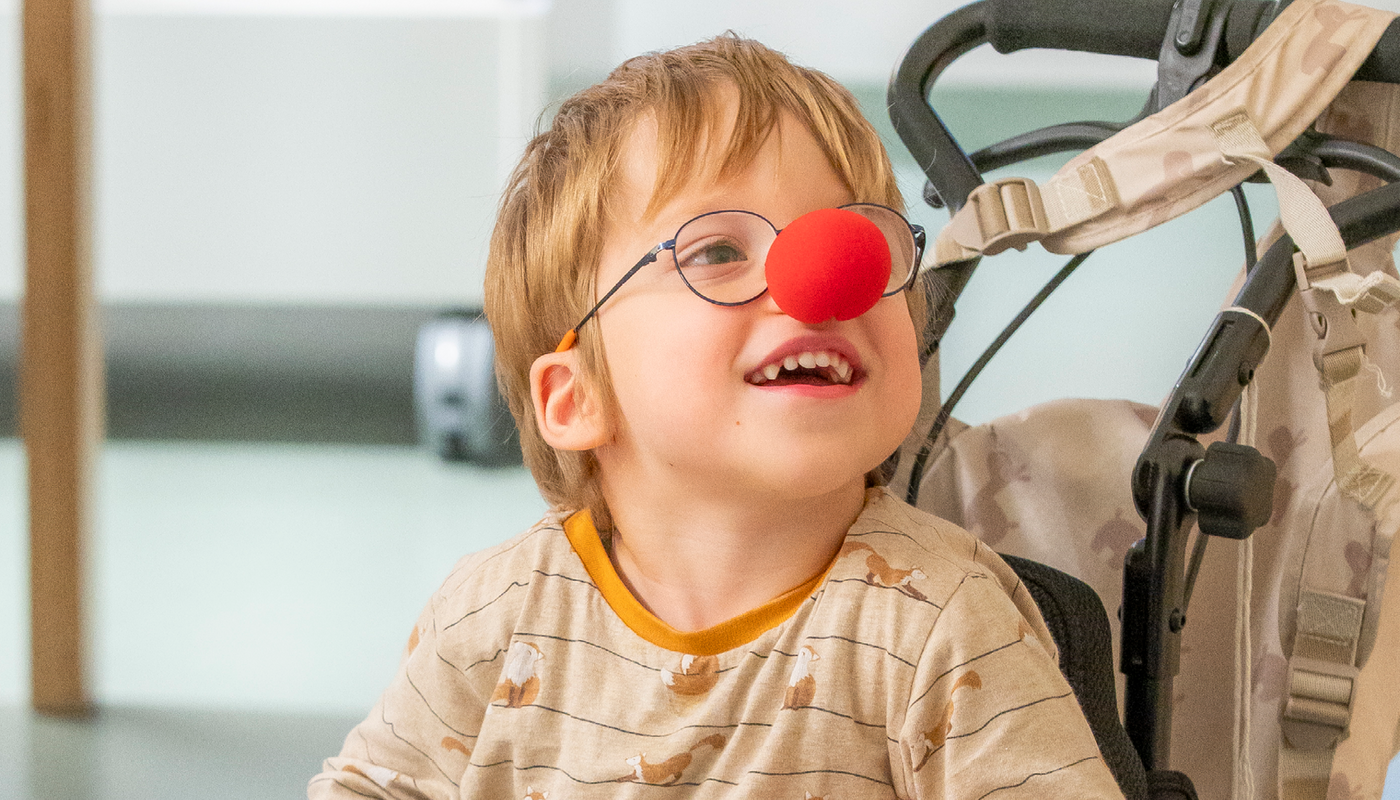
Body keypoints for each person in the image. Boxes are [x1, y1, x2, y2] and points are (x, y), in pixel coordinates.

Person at [308, 33, 1125, 800]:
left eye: (852, 241)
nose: (822, 280)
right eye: (718, 252)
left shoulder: (943, 625)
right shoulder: (496, 613)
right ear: (578, 396)